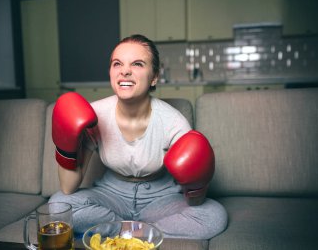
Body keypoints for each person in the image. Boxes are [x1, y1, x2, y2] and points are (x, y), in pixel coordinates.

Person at [50, 34, 227, 239]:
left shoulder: (173, 122)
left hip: (160, 198)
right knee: (57, 206)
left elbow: (195, 201)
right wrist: (65, 148)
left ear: (154, 77)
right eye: (117, 64)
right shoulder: (94, 115)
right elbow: (68, 187)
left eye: (137, 64)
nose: (125, 71)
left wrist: (198, 186)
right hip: (112, 194)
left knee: (214, 216)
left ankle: (123, 229)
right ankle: (137, 231)